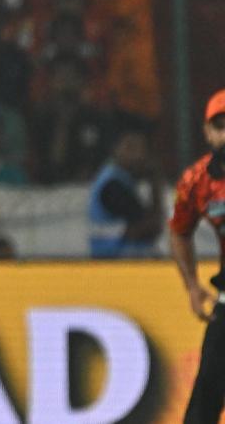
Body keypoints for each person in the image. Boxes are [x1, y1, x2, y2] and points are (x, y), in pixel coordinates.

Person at [170, 89, 225, 422]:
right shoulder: (197, 181)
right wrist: (192, 284)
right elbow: (179, 231)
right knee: (204, 402)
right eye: (220, 126)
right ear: (207, 132)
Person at [87, 117, 164, 258]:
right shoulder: (113, 185)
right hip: (115, 261)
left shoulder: (121, 179)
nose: (138, 155)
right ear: (115, 149)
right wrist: (155, 182)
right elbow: (152, 228)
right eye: (130, 147)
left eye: (141, 148)